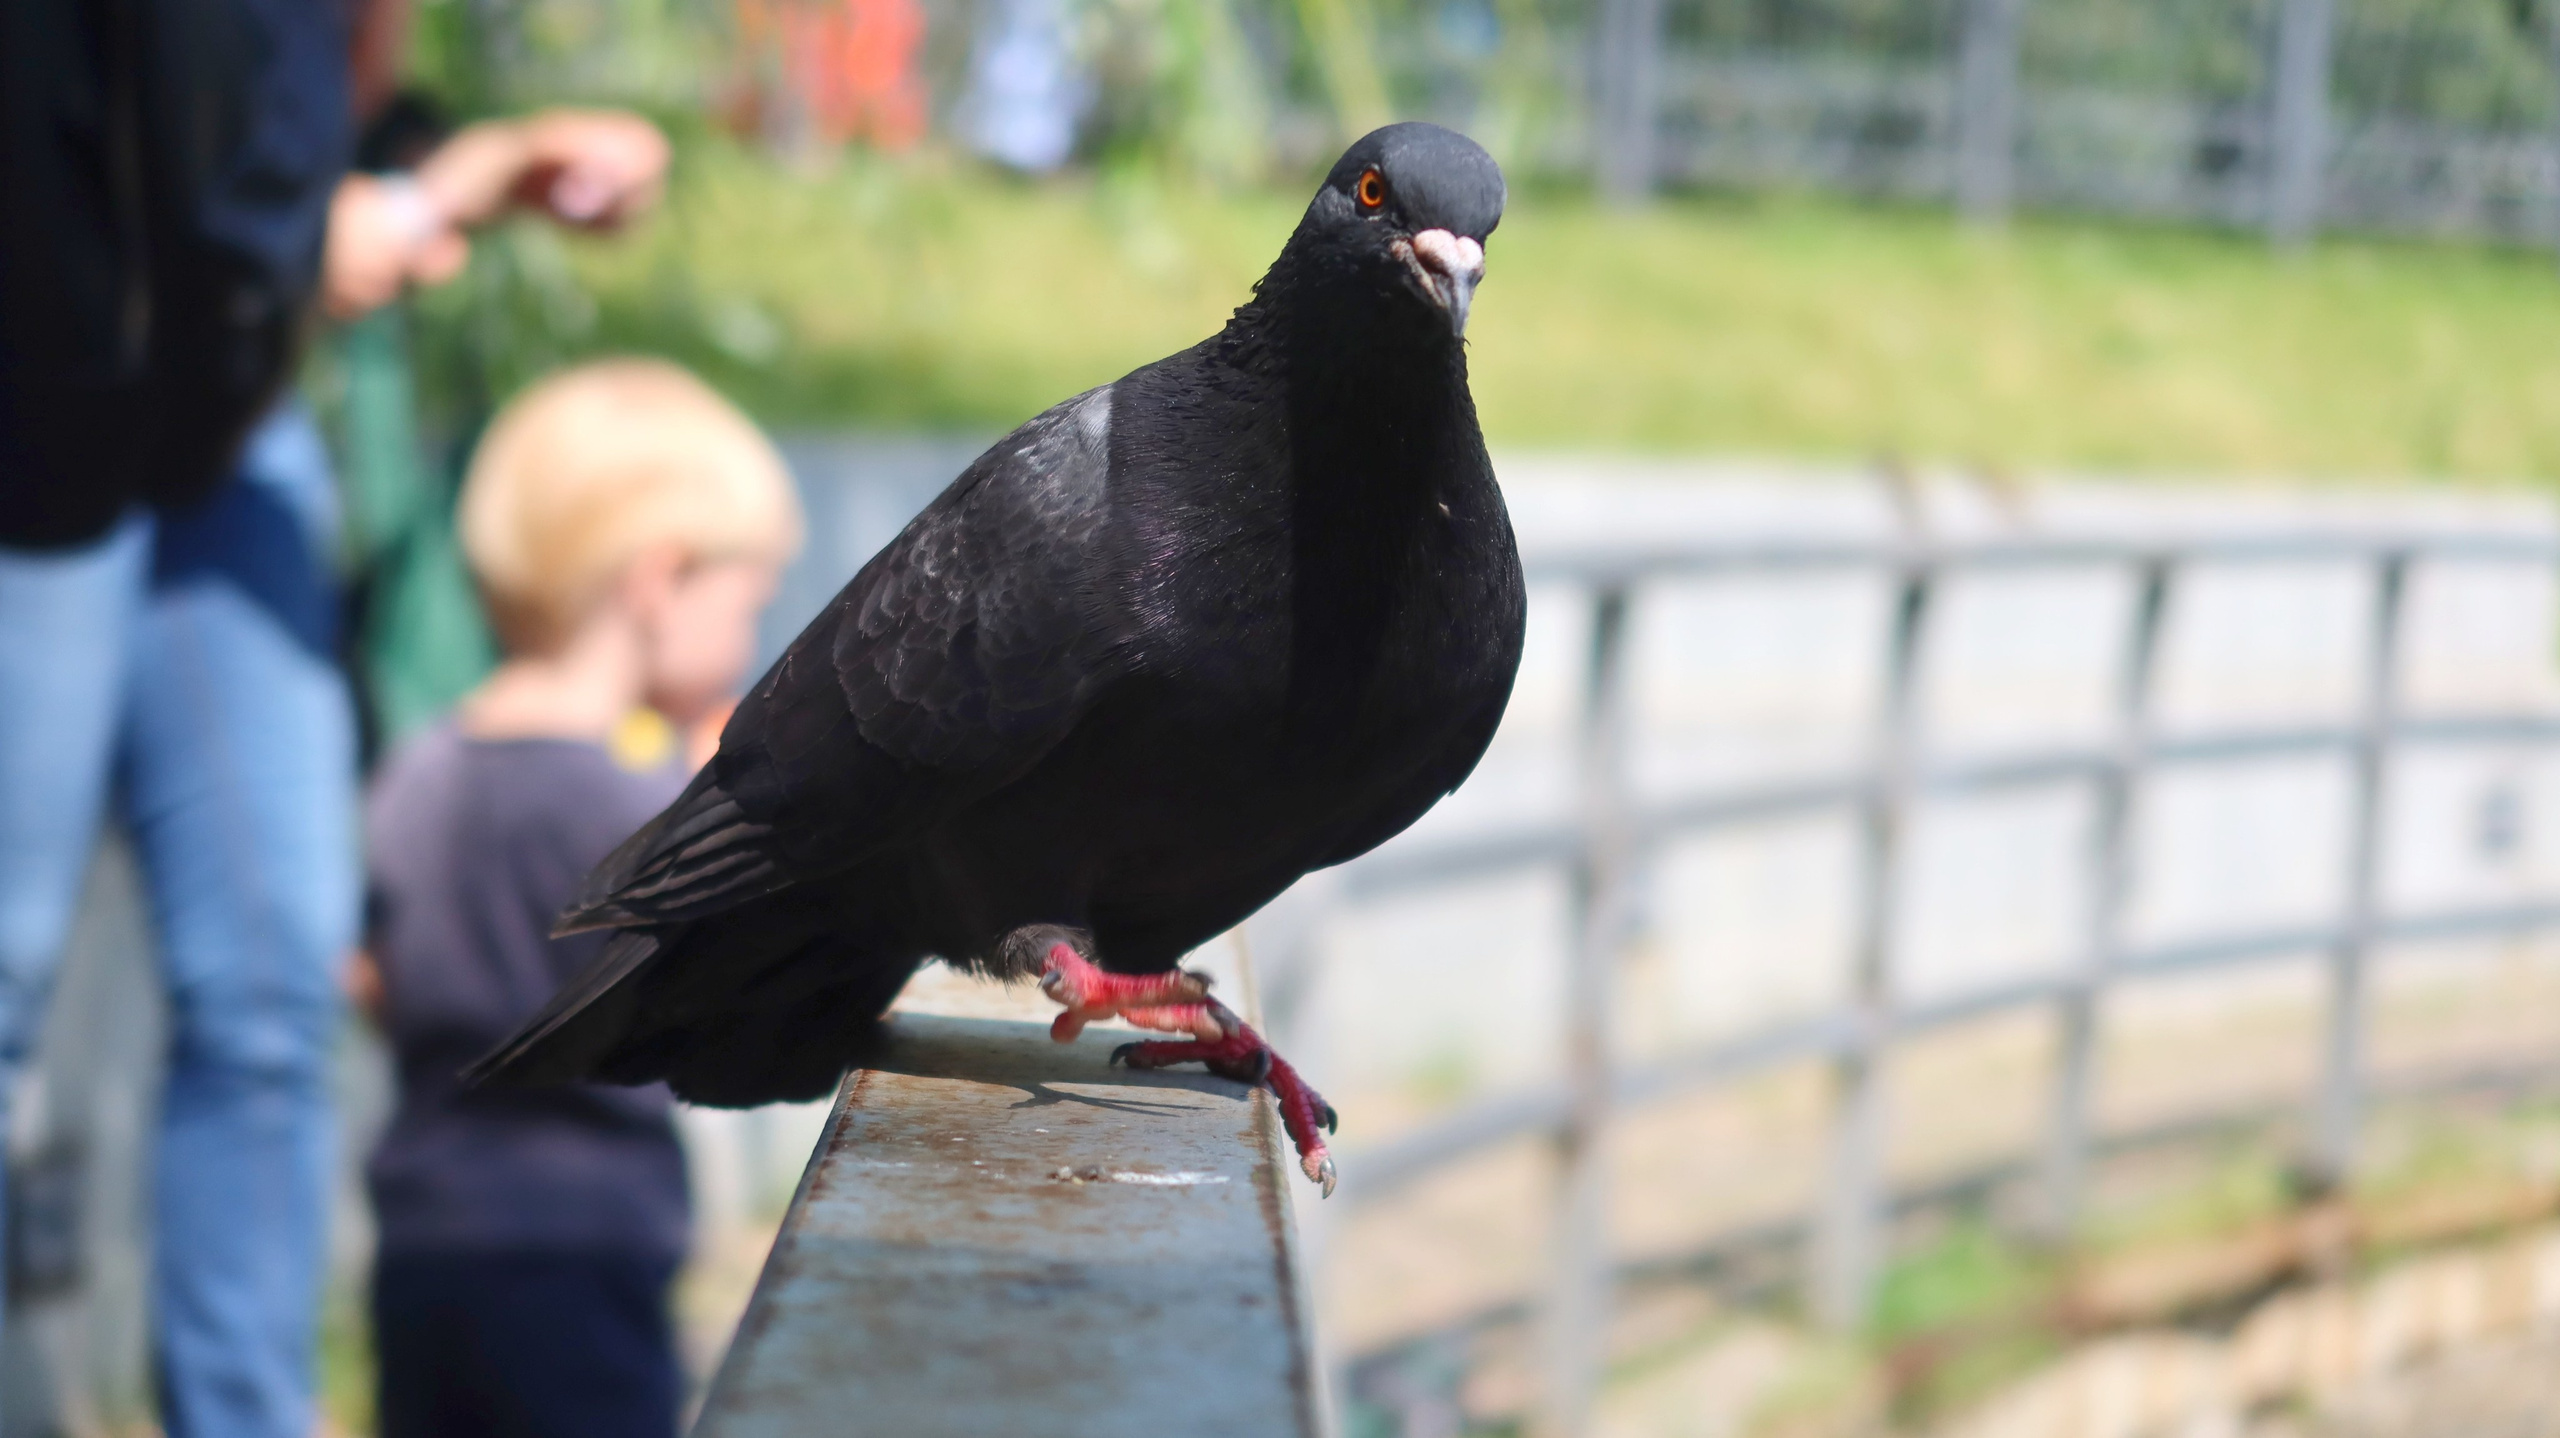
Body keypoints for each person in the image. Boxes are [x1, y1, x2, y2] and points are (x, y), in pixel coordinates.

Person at [352, 359, 802, 1438]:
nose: (750, 640)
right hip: (582, 1249)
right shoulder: (632, 803)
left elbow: (369, 979)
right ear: (658, 581)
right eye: (746, 600)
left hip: (423, 1241)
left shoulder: (420, 767)